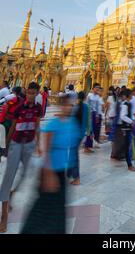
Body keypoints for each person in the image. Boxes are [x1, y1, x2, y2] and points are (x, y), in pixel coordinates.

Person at [21, 94, 80, 234]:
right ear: (61, 106)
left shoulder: (72, 123)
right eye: (66, 105)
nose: (69, 108)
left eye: (71, 105)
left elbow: (75, 144)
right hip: (49, 171)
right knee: (42, 208)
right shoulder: (53, 124)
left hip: (62, 172)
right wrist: (48, 175)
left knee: (59, 209)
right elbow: (46, 151)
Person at [0, 82, 41, 233]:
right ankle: (4, 215)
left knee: (25, 174)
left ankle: (12, 193)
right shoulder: (19, 107)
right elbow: (13, 126)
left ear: (37, 93)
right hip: (16, 143)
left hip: (29, 144)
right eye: (28, 92)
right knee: (9, 176)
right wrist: (6, 144)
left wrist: (39, 144)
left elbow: (37, 125)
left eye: (33, 93)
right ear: (26, 93)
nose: (30, 95)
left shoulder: (37, 108)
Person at [67, 91, 89, 185]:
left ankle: (76, 177)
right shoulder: (86, 107)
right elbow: (87, 121)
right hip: (81, 133)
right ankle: (69, 172)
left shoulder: (75, 107)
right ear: (84, 98)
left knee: (73, 154)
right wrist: (88, 132)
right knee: (72, 153)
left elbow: (71, 120)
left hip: (74, 133)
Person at [119, 88, 135, 172]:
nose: (132, 95)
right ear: (127, 96)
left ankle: (123, 157)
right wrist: (131, 121)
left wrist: (133, 119)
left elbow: (130, 114)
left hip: (128, 126)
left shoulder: (128, 103)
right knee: (127, 146)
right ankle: (129, 165)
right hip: (126, 127)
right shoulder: (125, 104)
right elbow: (122, 116)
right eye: (130, 94)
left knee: (128, 144)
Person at [86, 83, 103, 149]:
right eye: (96, 87)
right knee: (90, 129)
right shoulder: (90, 96)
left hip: (96, 114)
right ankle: (88, 145)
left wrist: (98, 115)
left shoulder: (98, 97)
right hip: (91, 114)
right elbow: (87, 105)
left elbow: (98, 107)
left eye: (98, 88)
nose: (98, 89)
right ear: (93, 88)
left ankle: (95, 142)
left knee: (96, 129)